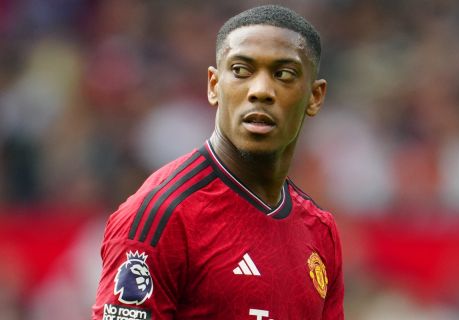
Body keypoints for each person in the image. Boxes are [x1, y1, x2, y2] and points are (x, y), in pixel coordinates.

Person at [93, 5, 344, 319]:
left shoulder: (320, 231)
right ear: (214, 85)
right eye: (241, 70)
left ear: (315, 96)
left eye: (283, 74)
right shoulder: (162, 216)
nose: (261, 91)